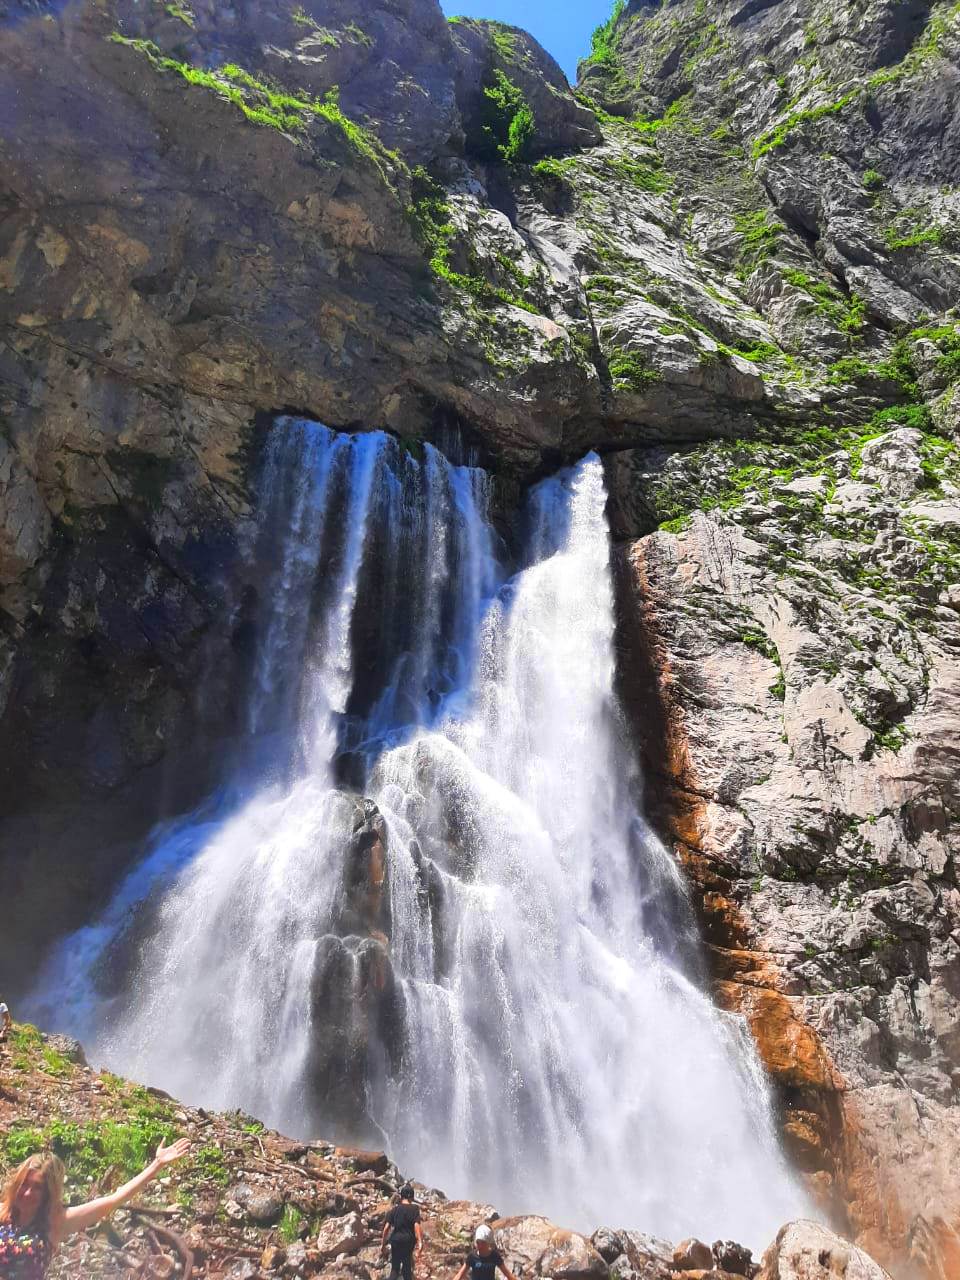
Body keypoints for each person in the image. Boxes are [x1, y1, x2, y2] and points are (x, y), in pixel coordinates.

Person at [0, 1138, 190, 1279]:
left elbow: (113, 1200)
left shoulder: (55, 1222)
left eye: (37, 1188)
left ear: (48, 1194)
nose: (27, 1193)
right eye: (24, 1184)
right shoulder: (3, 1214)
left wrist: (157, 1164)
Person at [379, 1183, 423, 1280]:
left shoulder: (394, 1209)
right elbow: (417, 1226)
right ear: (411, 1197)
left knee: (395, 1268)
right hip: (408, 1242)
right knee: (407, 1269)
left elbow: (386, 1228)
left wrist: (382, 1244)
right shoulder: (414, 1209)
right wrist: (420, 1242)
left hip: (396, 1241)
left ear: (401, 1196)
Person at [453, 1225, 518, 1280]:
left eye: (483, 1243)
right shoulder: (472, 1257)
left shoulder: (494, 1256)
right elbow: (460, 1275)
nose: (480, 1246)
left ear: (488, 1243)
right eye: (478, 1242)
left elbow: (507, 1274)